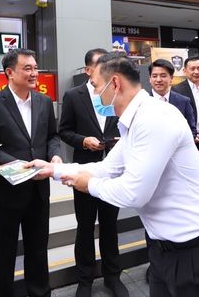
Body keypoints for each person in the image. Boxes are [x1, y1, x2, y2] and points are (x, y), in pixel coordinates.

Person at [29, 52, 199, 297]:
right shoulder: (135, 121)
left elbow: (134, 193)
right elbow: (107, 168)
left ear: (116, 83)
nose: (95, 94)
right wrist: (53, 169)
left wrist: (89, 185)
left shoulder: (154, 118)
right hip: (166, 252)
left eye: (97, 86)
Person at [0, 48, 62, 297]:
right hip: (6, 192)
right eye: (28, 68)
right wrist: (17, 165)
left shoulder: (44, 102)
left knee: (37, 249)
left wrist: (53, 154)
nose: (35, 73)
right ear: (9, 73)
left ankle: (40, 293)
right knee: (4, 252)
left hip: (38, 190)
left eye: (36, 68)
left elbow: (51, 136)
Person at [58, 48, 127, 297]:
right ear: (88, 70)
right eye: (100, 65)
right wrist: (83, 140)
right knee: (85, 227)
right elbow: (64, 130)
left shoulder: (116, 92)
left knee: (110, 226)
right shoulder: (73, 96)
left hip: (113, 171)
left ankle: (112, 277)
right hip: (85, 170)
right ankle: (84, 280)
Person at [148, 58, 196, 136]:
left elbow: (192, 130)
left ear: (171, 78)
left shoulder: (184, 101)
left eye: (163, 76)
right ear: (150, 79)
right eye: (154, 76)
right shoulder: (141, 103)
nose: (158, 79)